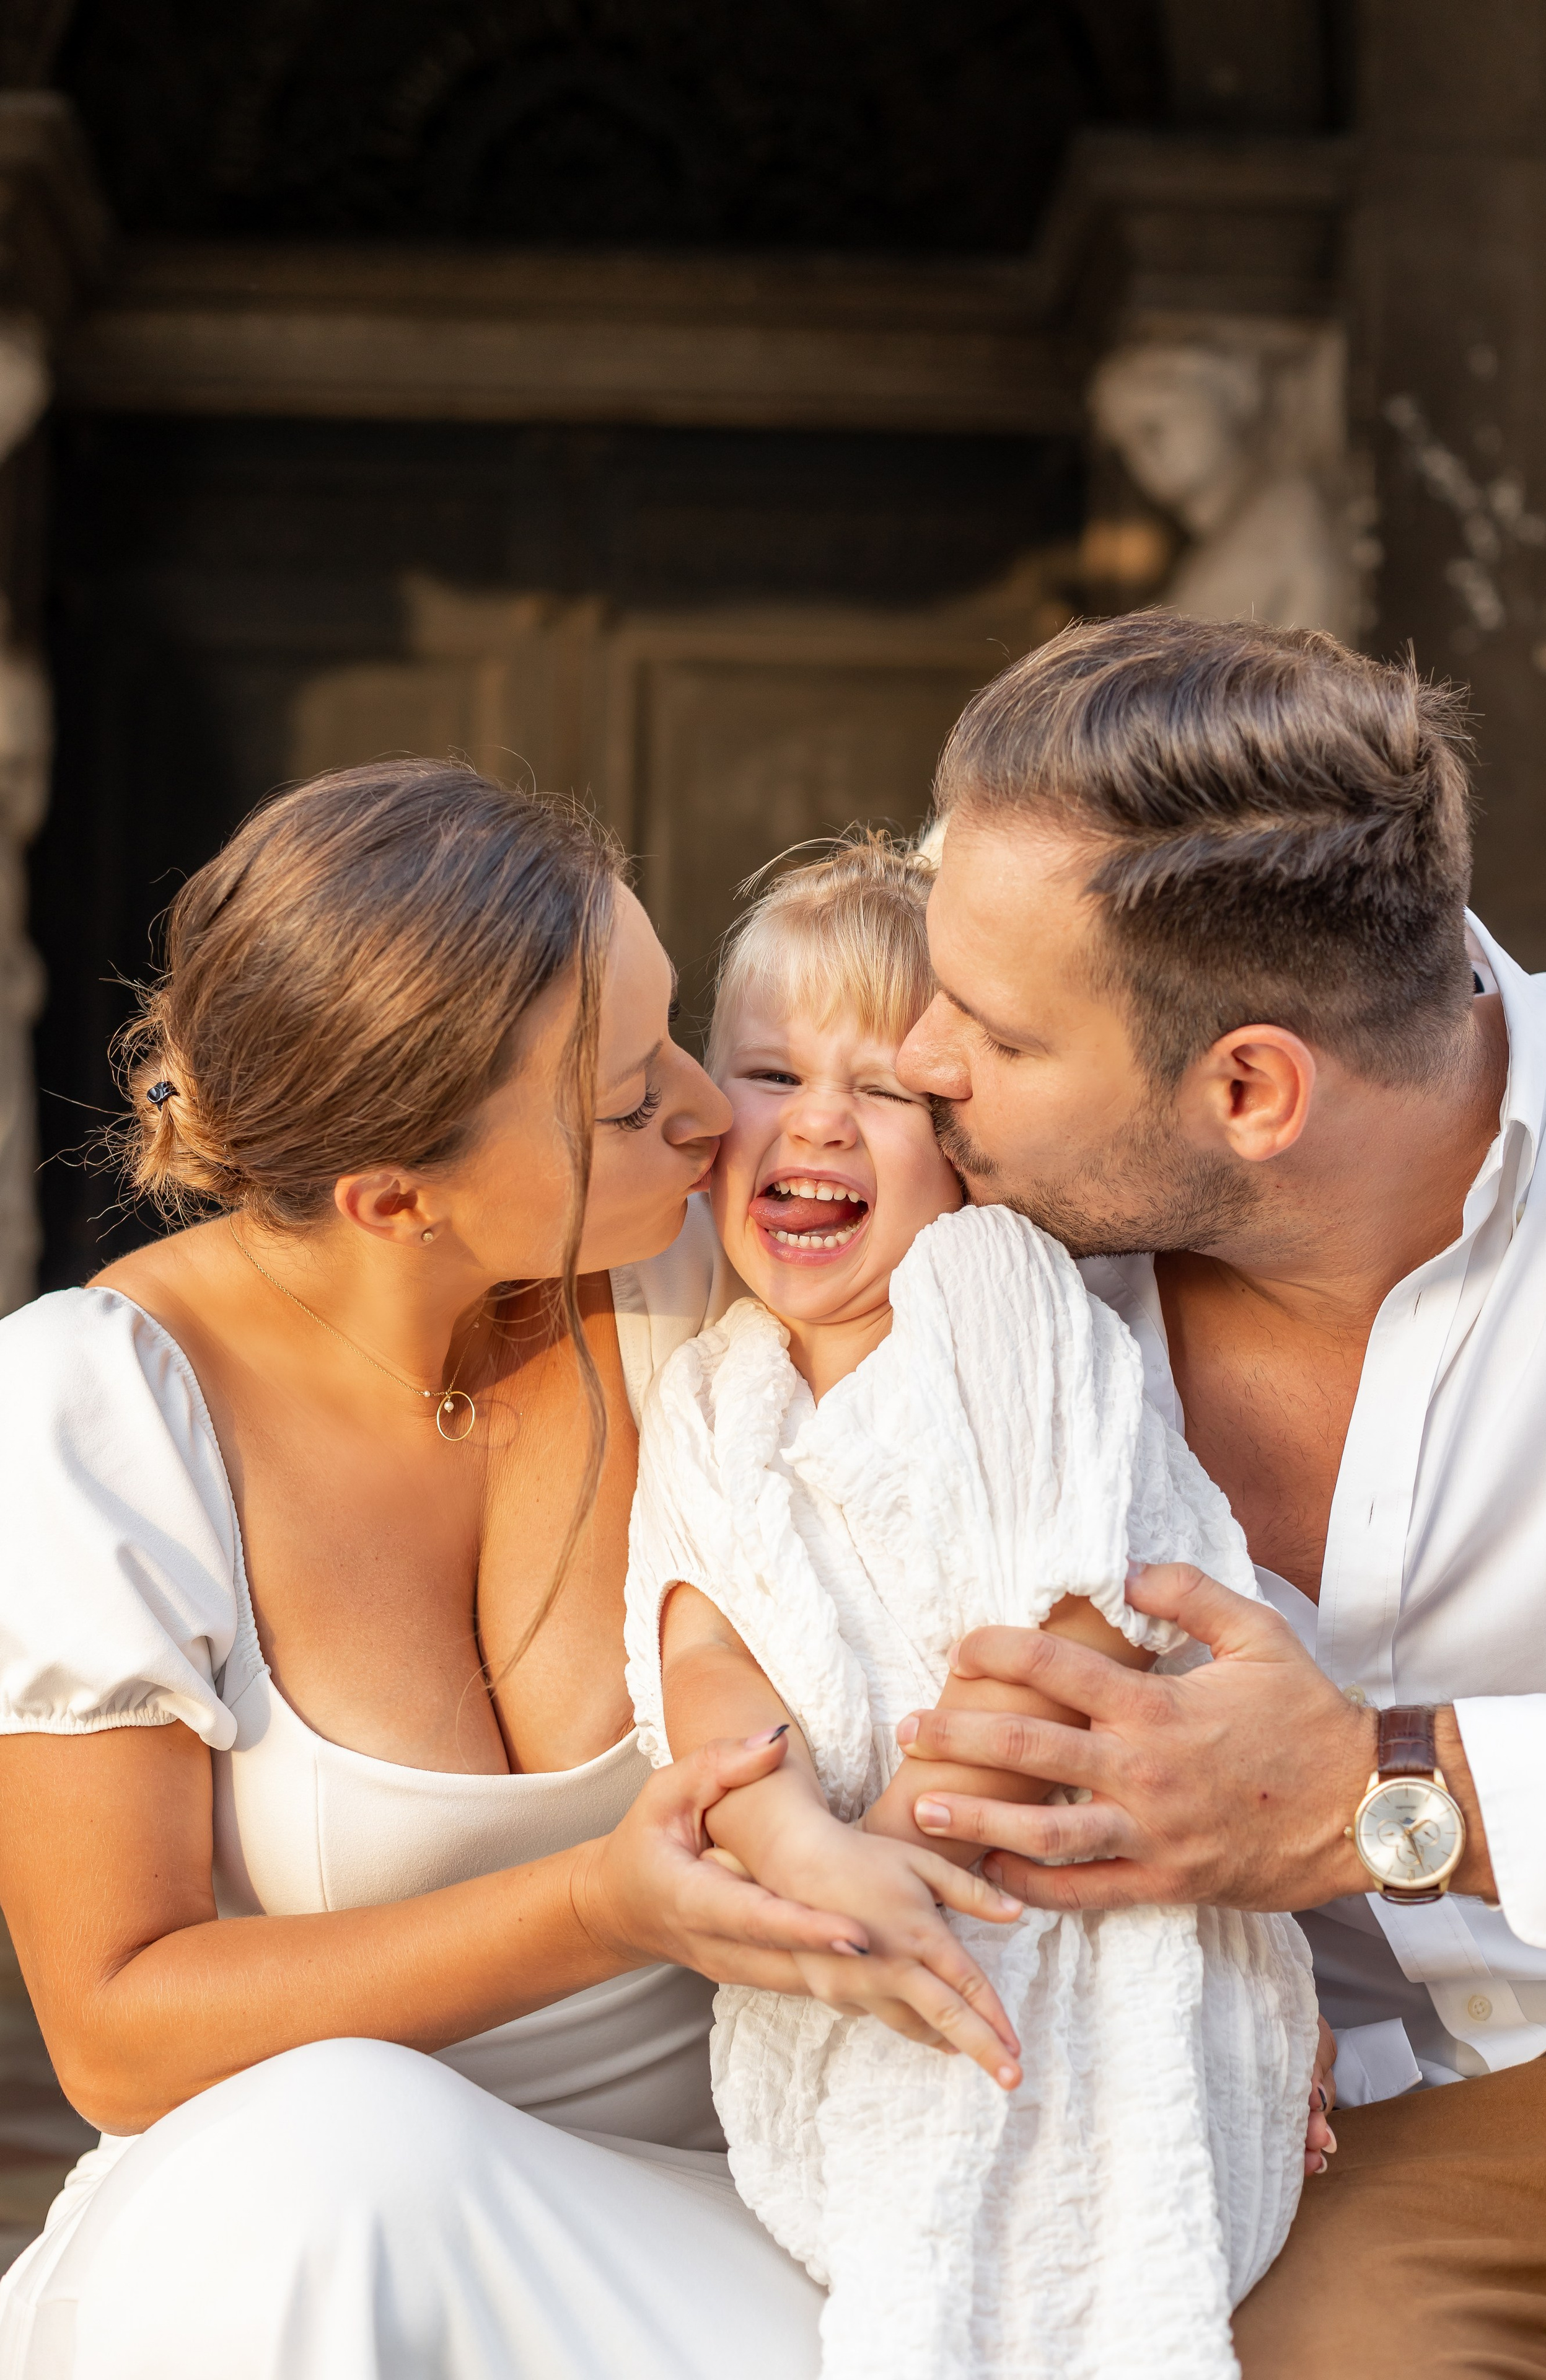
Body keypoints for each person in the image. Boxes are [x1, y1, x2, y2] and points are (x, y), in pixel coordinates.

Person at [0, 760, 880, 2379]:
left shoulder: (742, 1260)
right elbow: (119, 2034)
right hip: (299, 2244)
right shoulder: (99, 1406)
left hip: (738, 2237)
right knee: (342, 2154)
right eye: (627, 1101)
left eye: (674, 1029)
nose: (709, 1110)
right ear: (396, 1198)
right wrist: (600, 1907)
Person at [887, 612, 1546, 2378]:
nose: (915, 1058)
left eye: (995, 1031)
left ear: (1251, 1089)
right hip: (1336, 2155)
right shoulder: (963, 1251)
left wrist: (1387, 1788)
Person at [625, 842, 1319, 2380]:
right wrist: (794, 1845)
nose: (815, 1119)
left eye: (880, 1093)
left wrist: (902, 1857)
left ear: (958, 1154)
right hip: (847, 1945)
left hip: (1063, 1894)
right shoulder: (710, 1396)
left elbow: (1076, 1622)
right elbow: (698, 1643)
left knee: (1092, 2267)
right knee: (909, 2274)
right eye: (766, 1073)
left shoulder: (987, 1294)